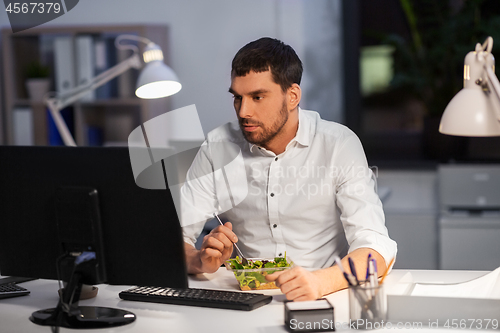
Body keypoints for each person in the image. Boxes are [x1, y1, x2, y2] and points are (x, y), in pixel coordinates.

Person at [181, 37, 397, 301]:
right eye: (238, 98)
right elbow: (172, 238)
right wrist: (199, 261)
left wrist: (320, 282)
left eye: (257, 97)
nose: (243, 111)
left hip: (324, 295)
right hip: (241, 298)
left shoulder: (339, 144)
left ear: (292, 96)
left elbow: (375, 247)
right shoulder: (217, 146)